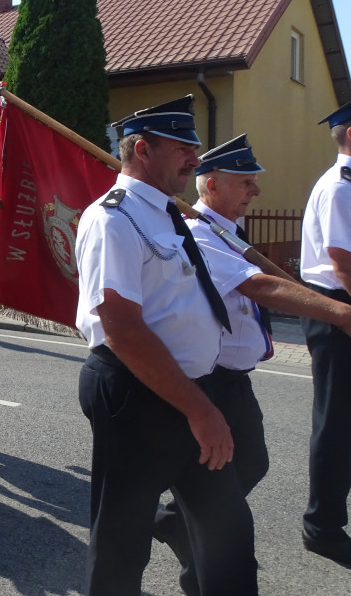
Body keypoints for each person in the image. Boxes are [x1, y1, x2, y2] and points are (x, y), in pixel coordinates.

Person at [75, 95, 258, 596]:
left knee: (228, 530)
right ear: (141, 149)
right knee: (121, 540)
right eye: (183, 148)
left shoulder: (167, 216)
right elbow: (122, 327)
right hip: (136, 394)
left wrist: (201, 401)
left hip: (185, 391)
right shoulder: (113, 219)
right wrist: (202, 411)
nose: (195, 160)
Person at [153, 134, 351, 593]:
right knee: (220, 500)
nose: (256, 191)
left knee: (254, 463)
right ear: (211, 185)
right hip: (212, 379)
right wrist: (339, 312)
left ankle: (173, 522)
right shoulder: (201, 233)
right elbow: (257, 287)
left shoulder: (227, 230)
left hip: (236, 378)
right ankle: (195, 562)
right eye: (246, 182)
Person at [299, 101, 351, 565]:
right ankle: (323, 526)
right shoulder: (340, 187)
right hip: (337, 311)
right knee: (336, 422)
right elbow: (343, 262)